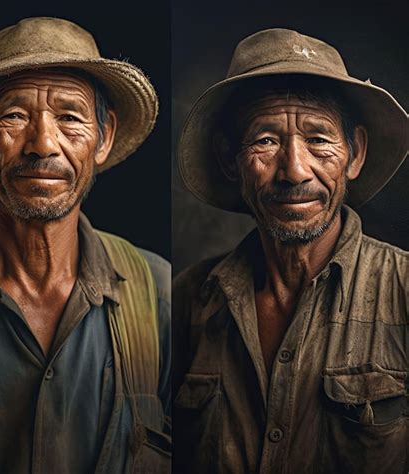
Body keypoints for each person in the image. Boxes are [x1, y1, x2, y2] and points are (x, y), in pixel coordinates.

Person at [0, 17, 170, 474]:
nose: (43, 144)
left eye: (69, 117)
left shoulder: (161, 294)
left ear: (102, 138)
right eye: (15, 115)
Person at [173, 28, 408, 474]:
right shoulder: (189, 300)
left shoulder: (404, 288)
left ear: (354, 154)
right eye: (265, 140)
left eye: (319, 140)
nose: (294, 171)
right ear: (230, 160)